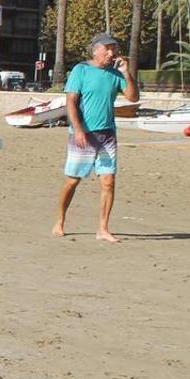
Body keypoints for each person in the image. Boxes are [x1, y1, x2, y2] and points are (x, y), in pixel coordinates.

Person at [53, 33, 138, 243]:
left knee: (108, 182)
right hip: (83, 134)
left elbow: (133, 97)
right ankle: (60, 220)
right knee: (73, 180)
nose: (112, 53)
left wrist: (127, 74)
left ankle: (103, 228)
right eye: (108, 48)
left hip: (108, 135)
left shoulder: (115, 73)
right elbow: (71, 102)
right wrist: (79, 129)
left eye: (115, 49)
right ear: (96, 50)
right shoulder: (81, 70)